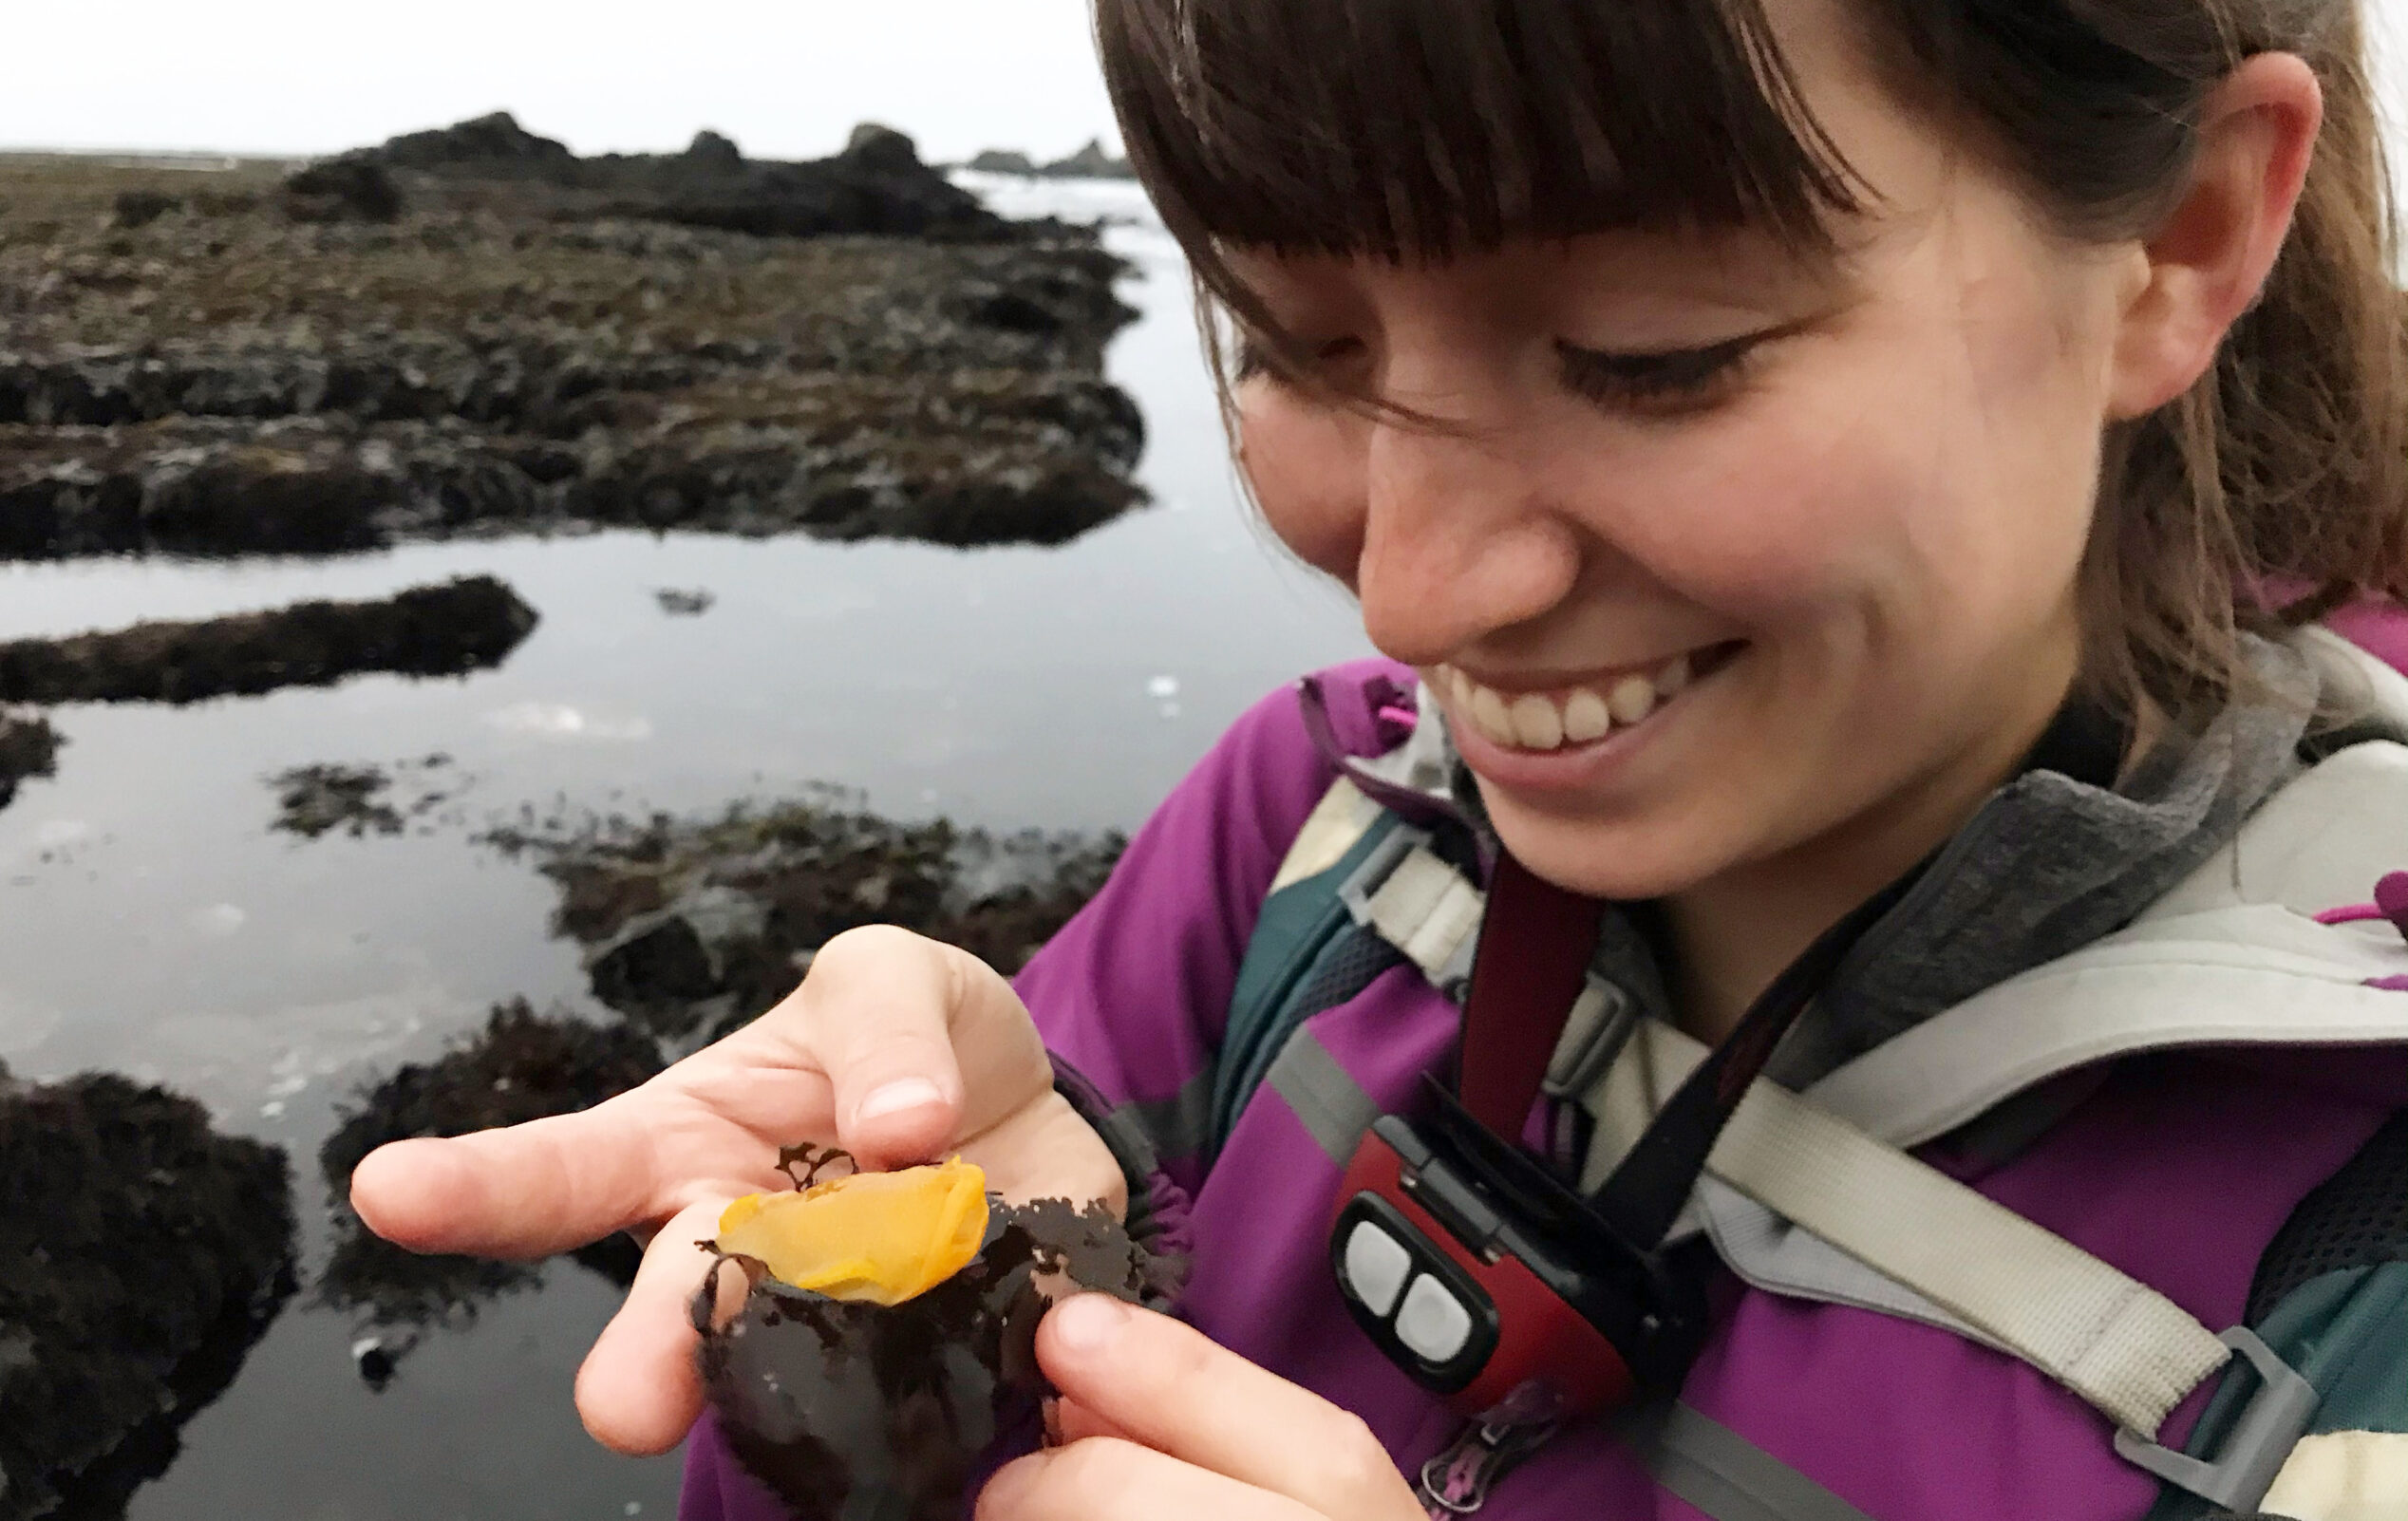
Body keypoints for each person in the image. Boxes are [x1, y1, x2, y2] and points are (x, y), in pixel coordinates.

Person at [349, 0, 2408, 1517]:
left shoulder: (2353, 1288)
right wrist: (914, 1380)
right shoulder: (1309, 838)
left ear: (2186, 237)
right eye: (1292, 344)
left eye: (1646, 356)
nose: (1408, 603)